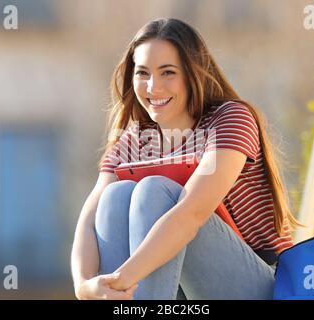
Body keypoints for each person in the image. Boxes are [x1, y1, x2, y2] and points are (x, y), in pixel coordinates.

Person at [70, 18, 302, 300]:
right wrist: (85, 286)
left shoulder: (229, 119)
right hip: (179, 293)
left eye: (168, 72)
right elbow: (89, 220)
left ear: (193, 74)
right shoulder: (131, 141)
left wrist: (123, 280)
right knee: (114, 196)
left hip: (261, 285)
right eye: (143, 73)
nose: (153, 87)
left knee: (154, 191)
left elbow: (192, 214)